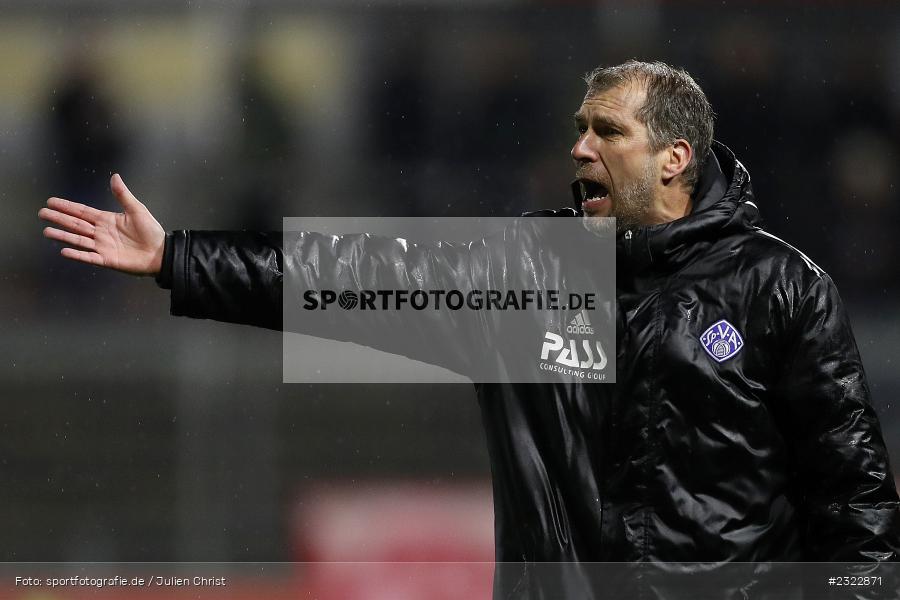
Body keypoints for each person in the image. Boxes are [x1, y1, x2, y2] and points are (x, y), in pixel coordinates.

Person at [39, 61, 899, 595]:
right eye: (578, 131)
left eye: (608, 131)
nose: (581, 149)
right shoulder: (530, 272)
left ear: (675, 157)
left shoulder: (779, 288)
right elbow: (350, 278)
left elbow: (854, 496)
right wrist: (179, 259)